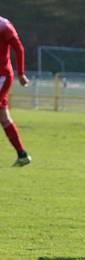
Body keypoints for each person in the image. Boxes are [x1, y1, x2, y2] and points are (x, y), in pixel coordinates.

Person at [0, 16, 30, 167]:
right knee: (4, 118)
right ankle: (22, 154)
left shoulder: (4, 25)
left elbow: (18, 48)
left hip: (2, 77)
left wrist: (21, 73)